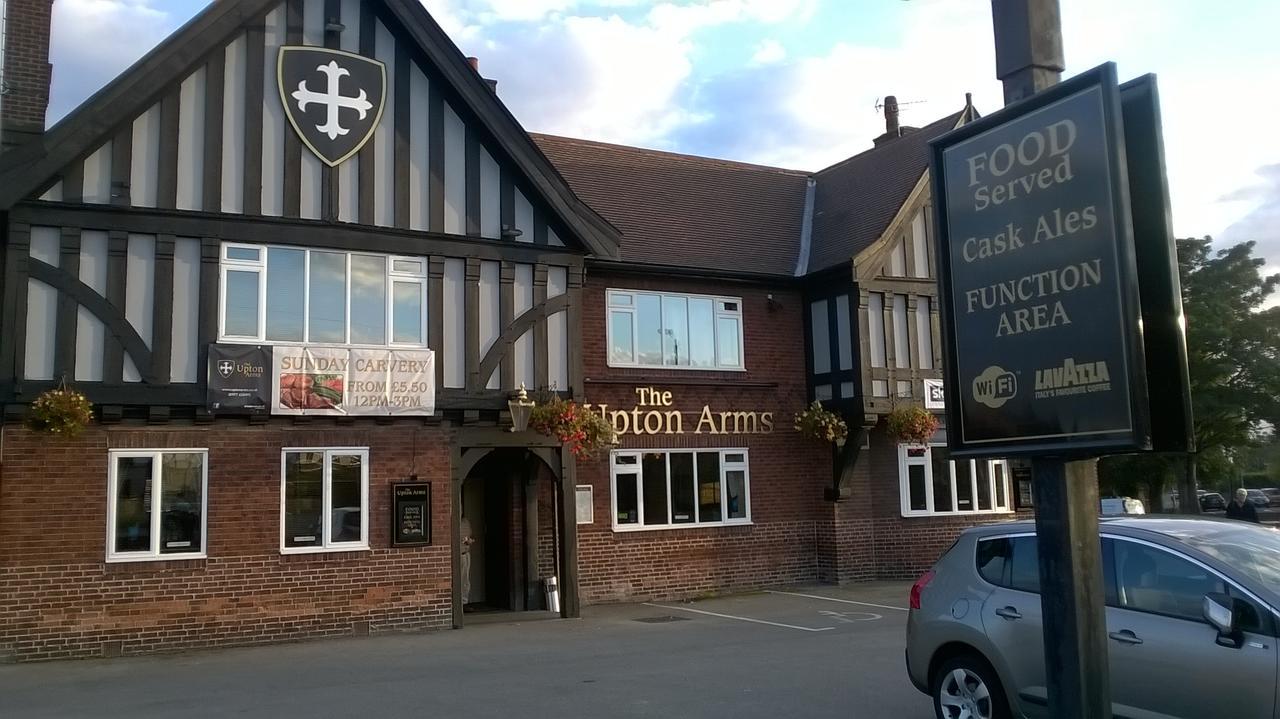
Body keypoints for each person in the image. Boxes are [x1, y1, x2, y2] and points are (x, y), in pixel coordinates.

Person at [459, 516, 476, 604]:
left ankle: (464, 602)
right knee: (460, 579)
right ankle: (460, 603)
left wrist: (470, 540)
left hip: (466, 553)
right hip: (458, 554)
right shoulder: (453, 521)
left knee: (465, 580)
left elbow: (472, 536)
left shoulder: (466, 521)